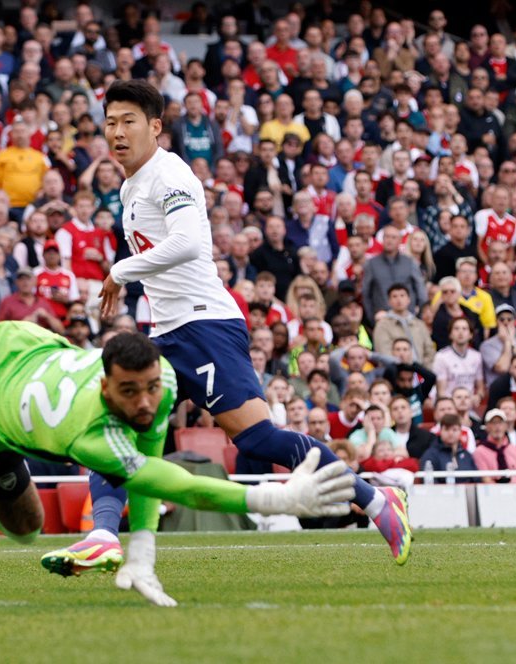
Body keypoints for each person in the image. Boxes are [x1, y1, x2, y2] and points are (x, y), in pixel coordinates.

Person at [70, 79, 408, 567]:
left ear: (155, 127)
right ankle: (102, 534)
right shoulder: (129, 185)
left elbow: (187, 242)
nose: (118, 132)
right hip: (167, 333)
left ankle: (377, 501)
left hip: (205, 325)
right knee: (116, 425)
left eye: (129, 122)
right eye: (111, 123)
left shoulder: (172, 176)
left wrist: (120, 271)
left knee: (258, 439)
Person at [0, 322, 354, 606]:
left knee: (140, 425)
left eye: (148, 389)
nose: (144, 403)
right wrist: (274, 497)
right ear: (105, 387)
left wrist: (142, 552)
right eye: (128, 392)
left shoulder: (158, 377)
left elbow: (151, 455)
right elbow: (180, 485)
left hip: (22, 342)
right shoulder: (89, 435)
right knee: (25, 527)